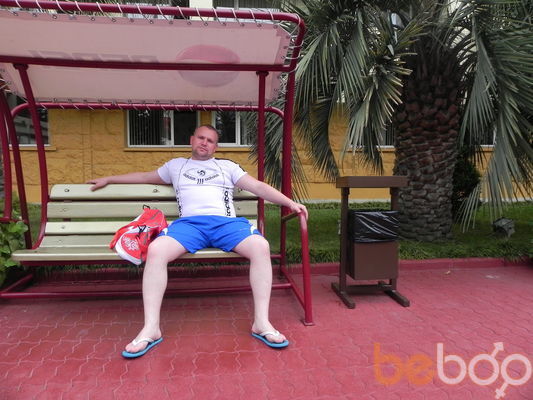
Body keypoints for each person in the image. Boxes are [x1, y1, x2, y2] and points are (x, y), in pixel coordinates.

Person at [88, 124, 308, 357]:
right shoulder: (175, 166)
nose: (204, 143)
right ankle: (151, 328)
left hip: (226, 224)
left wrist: (290, 203)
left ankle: (261, 323)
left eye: (210, 140)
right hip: (189, 225)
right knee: (157, 250)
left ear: (216, 147)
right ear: (192, 140)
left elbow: (257, 186)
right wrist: (109, 179)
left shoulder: (227, 166)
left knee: (260, 246)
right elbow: (144, 176)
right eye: (201, 138)